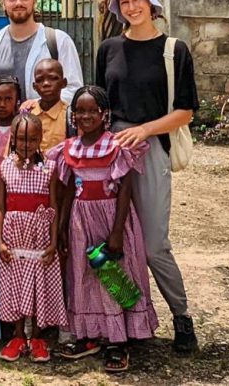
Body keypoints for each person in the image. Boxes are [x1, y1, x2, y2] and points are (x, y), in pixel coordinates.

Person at [96, 0, 199, 353]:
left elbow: (186, 111)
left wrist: (144, 130)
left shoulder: (175, 50)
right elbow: (98, 104)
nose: (132, 7)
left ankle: (182, 317)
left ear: (151, 3)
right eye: (124, 2)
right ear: (118, 8)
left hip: (152, 147)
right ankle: (125, 320)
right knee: (105, 238)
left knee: (155, 243)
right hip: (110, 151)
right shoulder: (108, 48)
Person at [49, 86, 158, 373]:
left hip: (111, 217)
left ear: (104, 114)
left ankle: (118, 340)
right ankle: (92, 333)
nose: (86, 116)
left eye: (92, 111)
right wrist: (61, 229)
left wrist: (118, 231)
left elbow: (125, 190)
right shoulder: (69, 149)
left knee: (114, 272)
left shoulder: (117, 146)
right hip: (80, 221)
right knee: (85, 274)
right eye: (80, 111)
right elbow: (70, 189)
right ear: (73, 115)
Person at [0, 113, 67, 364]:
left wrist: (53, 241)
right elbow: (0, 206)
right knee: (15, 286)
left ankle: (36, 337)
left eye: (32, 139)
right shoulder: (4, 167)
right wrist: (0, 241)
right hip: (13, 238)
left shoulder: (49, 168)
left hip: (39, 238)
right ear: (13, 139)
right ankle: (17, 336)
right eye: (21, 139)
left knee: (39, 286)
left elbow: (54, 205)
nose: (26, 144)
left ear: (41, 139)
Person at [0, 0, 83, 128]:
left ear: (34, 2)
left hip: (46, 132)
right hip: (0, 135)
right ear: (3, 4)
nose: (18, 3)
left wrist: (40, 103)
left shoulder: (58, 40)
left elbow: (74, 88)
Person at [21, 58, 70, 151]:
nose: (46, 84)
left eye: (53, 78)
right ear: (34, 86)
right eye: (40, 80)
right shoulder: (26, 114)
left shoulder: (70, 116)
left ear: (64, 83)